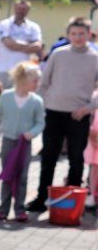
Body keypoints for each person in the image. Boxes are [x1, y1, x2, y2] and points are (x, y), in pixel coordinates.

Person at [27, 17, 98, 212]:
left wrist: (87, 109)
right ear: (68, 35)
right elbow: (44, 83)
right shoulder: (58, 55)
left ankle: (73, 201)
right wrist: (39, 107)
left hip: (79, 115)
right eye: (73, 34)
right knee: (49, 157)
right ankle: (41, 197)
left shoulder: (94, 58)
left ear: (89, 34)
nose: (77, 37)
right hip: (54, 112)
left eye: (81, 34)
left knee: (76, 160)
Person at [0, 61, 45, 221]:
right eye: (35, 80)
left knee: (22, 176)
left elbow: (41, 122)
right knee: (8, 175)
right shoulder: (7, 96)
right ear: (23, 79)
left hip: (24, 144)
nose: (37, 84)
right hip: (8, 141)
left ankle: (19, 209)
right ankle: (3, 209)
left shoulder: (36, 101)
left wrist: (32, 133)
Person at [0, 0, 43, 90]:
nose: (21, 11)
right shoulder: (4, 24)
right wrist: (28, 45)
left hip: (23, 71)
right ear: (14, 8)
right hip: (4, 69)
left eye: (24, 9)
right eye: (19, 8)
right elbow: (8, 43)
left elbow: (37, 46)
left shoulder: (34, 27)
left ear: (28, 10)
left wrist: (15, 44)